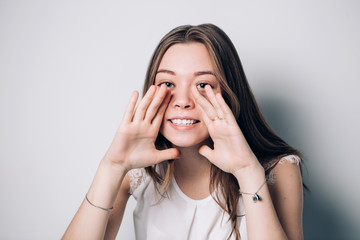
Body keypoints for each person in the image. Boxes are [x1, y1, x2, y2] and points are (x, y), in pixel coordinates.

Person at [63, 24, 304, 240]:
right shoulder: (135, 171)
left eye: (203, 85)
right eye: (168, 84)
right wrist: (112, 166)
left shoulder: (280, 169)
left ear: (230, 93)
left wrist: (247, 172)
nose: (182, 101)